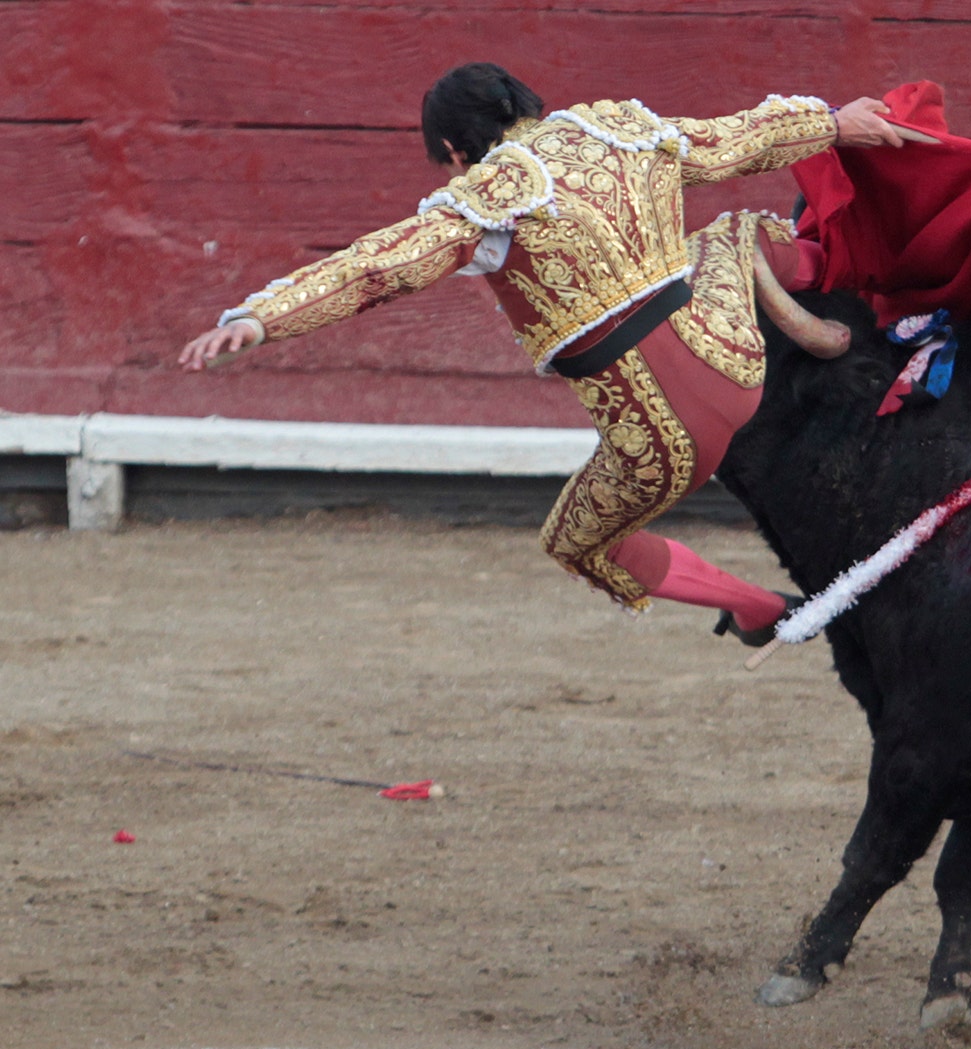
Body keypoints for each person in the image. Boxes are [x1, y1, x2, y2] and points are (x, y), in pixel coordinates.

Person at [179, 63, 906, 643]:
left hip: (660, 445)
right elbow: (736, 140)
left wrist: (259, 319)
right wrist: (835, 124)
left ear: (459, 154)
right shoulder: (621, 132)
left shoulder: (487, 197)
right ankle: (866, 288)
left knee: (575, 541)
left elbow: (377, 267)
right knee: (729, 234)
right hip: (732, 357)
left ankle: (756, 608)